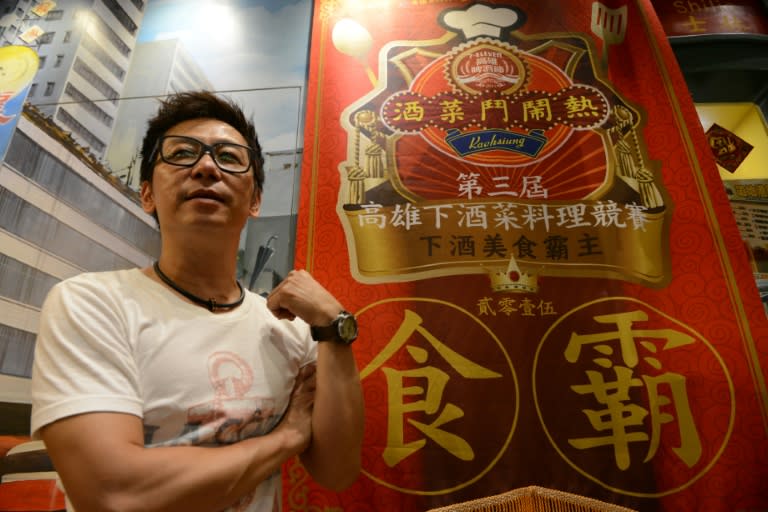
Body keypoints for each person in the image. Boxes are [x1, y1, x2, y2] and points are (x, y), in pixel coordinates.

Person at [30, 91, 364, 512]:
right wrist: (289, 437)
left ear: (255, 200)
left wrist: (336, 327)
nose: (206, 167)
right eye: (182, 153)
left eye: (228, 157)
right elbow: (112, 495)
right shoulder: (91, 304)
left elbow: (337, 472)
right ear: (147, 195)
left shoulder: (294, 329)